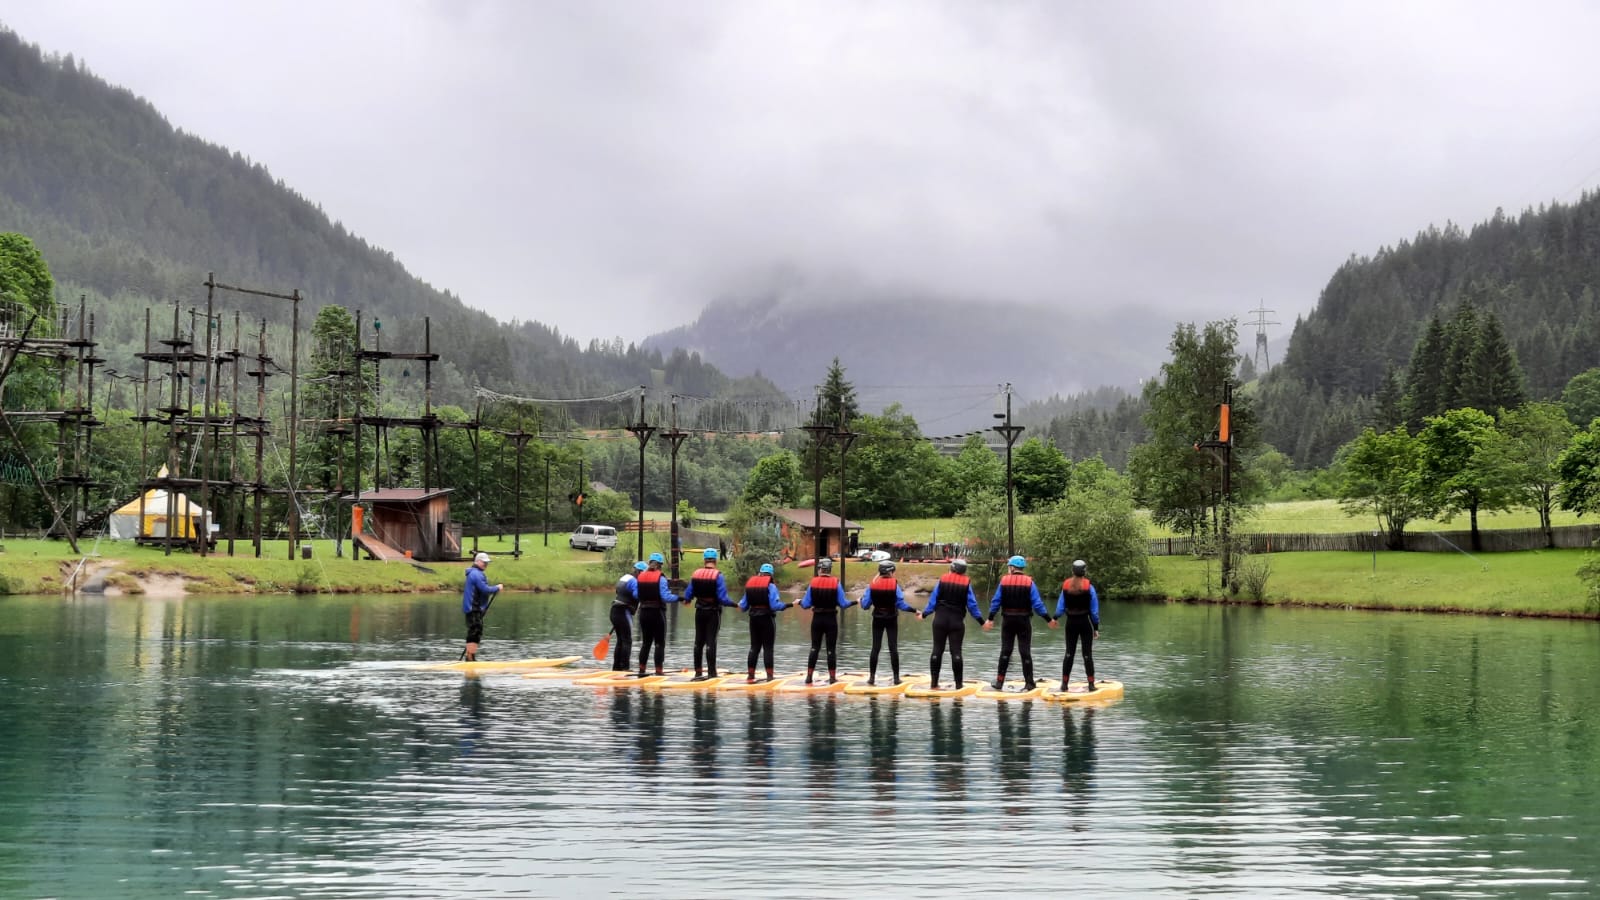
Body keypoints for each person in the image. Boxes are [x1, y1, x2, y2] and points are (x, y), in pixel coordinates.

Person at [983, 555, 1056, 690]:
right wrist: (1048, 619)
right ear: (1022, 568)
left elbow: (996, 602)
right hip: (1024, 621)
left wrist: (990, 618)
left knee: (1005, 651)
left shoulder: (1004, 581)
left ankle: (999, 682)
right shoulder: (1029, 582)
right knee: (1025, 652)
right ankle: (1029, 683)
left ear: (1012, 567)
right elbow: (1037, 604)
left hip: (1008, 621)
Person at [918, 559, 983, 690]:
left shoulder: (942, 580)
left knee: (937, 650)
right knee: (956, 652)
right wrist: (981, 621)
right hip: (956, 622)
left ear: (952, 568)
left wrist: (924, 614)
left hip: (940, 620)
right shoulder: (966, 583)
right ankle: (959, 685)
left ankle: (934, 684)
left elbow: (933, 601)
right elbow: (972, 605)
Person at [680, 548, 736, 680]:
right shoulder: (718, 576)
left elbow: (688, 594)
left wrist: (687, 601)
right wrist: (735, 604)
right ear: (715, 560)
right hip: (713, 612)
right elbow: (722, 598)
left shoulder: (696, 574)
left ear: (704, 560)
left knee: (698, 642)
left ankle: (698, 672)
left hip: (699, 612)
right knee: (711, 642)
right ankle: (711, 673)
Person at [799, 557, 855, 684]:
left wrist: (800, 602)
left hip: (817, 619)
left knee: (814, 648)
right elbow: (843, 604)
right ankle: (832, 678)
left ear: (820, 569)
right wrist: (856, 602)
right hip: (831, 620)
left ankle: (809, 677)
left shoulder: (813, 583)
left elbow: (806, 604)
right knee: (831, 650)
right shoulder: (836, 582)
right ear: (829, 570)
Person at [859, 560, 914, 685]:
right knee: (893, 648)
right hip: (891, 618)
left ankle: (872, 678)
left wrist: (860, 602)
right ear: (890, 572)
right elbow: (901, 605)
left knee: (875, 648)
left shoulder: (872, 585)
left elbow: (866, 605)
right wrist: (914, 610)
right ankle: (896, 678)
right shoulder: (895, 585)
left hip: (877, 618)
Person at [738, 562, 789, 682]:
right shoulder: (771, 587)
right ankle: (769, 676)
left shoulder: (750, 585)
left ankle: (750, 675)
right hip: (767, 619)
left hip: (753, 619)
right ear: (771, 575)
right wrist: (789, 605)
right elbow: (775, 605)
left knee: (754, 647)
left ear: (760, 573)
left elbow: (743, 606)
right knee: (768, 648)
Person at [1056, 559, 1101, 692]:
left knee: (1069, 653)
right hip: (1084, 623)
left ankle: (1064, 684)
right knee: (1087, 654)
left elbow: (1060, 608)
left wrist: (1054, 618)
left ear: (1072, 571)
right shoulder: (1089, 587)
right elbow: (1094, 611)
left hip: (1070, 624)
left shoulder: (1066, 586)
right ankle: (1091, 685)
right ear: (1084, 572)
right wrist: (1096, 627)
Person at [632, 552, 673, 676]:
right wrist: (679, 598)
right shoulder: (661, 578)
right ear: (660, 565)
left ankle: (641, 670)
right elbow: (665, 597)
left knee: (646, 643)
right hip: (657, 613)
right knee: (659, 643)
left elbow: (636, 595)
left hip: (644, 613)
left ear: (649, 563)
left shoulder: (641, 577)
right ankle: (659, 671)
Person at [461, 551, 503, 661]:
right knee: (475, 630)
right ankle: (470, 658)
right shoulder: (476, 574)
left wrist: (482, 608)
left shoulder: (475, 573)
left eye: (487, 562)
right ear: (478, 561)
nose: (486, 564)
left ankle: (470, 656)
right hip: (473, 608)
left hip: (475, 608)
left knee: (475, 630)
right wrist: (497, 588)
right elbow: (485, 590)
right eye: (484, 562)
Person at [610, 561, 645, 671]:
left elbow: (618, 590)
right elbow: (636, 595)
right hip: (623, 612)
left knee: (620, 640)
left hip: (614, 611)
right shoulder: (634, 581)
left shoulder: (625, 577)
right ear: (639, 572)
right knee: (627, 641)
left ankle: (616, 668)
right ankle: (625, 668)